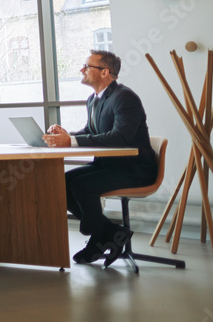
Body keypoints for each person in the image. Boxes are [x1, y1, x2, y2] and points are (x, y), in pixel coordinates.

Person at [43, 50, 157, 266]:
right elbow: (91, 131)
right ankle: (110, 232)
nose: (82, 70)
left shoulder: (125, 97)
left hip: (135, 169)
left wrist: (73, 142)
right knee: (64, 182)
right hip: (109, 165)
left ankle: (100, 234)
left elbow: (120, 137)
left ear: (105, 72)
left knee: (84, 185)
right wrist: (66, 136)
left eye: (87, 66)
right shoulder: (93, 100)